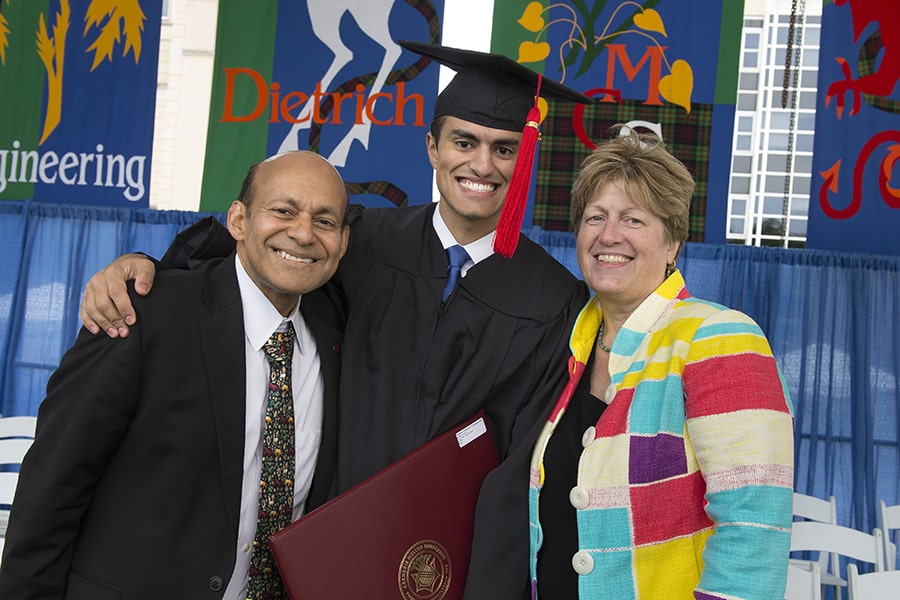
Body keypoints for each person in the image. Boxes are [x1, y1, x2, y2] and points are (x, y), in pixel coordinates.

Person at [78, 42, 592, 598]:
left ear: (526, 158)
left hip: (448, 568)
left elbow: (522, 470)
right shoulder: (362, 242)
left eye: (504, 148)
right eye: (463, 142)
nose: (482, 165)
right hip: (324, 555)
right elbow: (249, 266)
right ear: (432, 147)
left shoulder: (555, 302)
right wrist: (145, 269)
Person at [0, 150, 349, 599]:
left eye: (324, 221)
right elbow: (53, 486)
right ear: (238, 220)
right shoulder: (140, 314)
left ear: (343, 241)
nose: (302, 233)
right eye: (283, 211)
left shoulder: (337, 333)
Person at [527, 129, 794, 599]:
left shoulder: (718, 336)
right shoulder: (569, 346)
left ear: (672, 243)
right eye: (596, 217)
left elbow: (753, 534)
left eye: (633, 219)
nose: (609, 235)